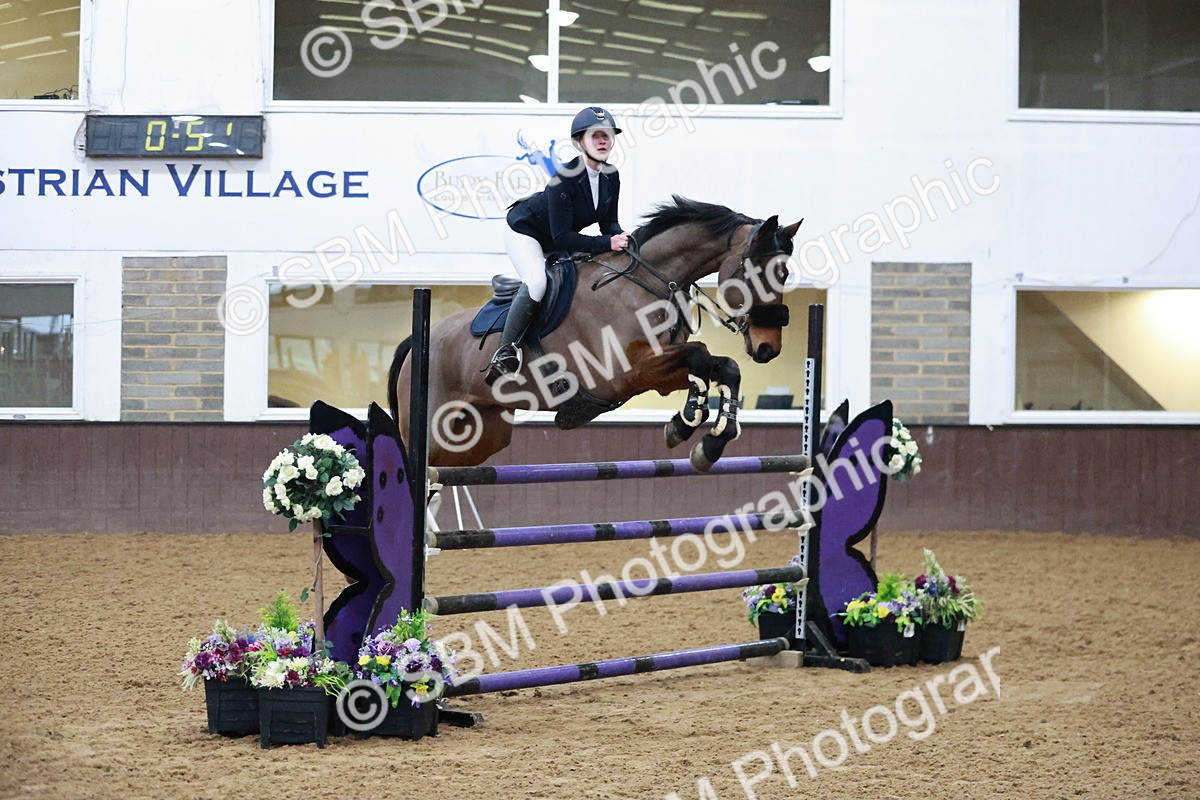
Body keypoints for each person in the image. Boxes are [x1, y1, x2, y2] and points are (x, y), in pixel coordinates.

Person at [484, 106, 630, 385]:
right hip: (526, 231)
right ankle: (505, 351)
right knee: (537, 282)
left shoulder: (611, 175)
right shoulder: (565, 178)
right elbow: (563, 237)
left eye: (608, 135)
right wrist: (607, 242)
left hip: (557, 237)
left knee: (575, 282)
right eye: (596, 135)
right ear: (579, 142)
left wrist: (624, 238)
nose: (603, 141)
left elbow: (608, 224)